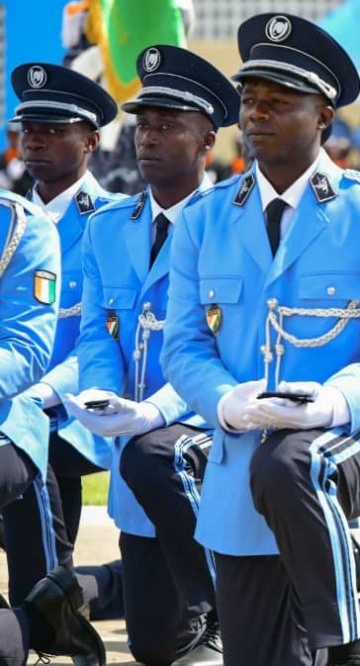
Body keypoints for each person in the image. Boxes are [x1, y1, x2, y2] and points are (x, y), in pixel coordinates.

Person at [160, 12, 360, 666]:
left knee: (295, 463)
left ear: (322, 116)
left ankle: (347, 644)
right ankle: (359, 599)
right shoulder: (205, 220)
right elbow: (182, 345)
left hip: (350, 440)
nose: (257, 115)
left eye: (279, 102)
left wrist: (332, 402)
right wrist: (226, 402)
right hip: (242, 459)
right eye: (250, 101)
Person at [61, 45, 240, 665]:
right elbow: (95, 334)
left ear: (206, 141)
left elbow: (222, 349)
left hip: (208, 436)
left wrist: (157, 411)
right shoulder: (108, 226)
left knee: (151, 454)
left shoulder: (232, 224)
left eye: (169, 126)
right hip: (137, 454)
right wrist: (101, 393)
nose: (150, 138)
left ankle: (239, 604)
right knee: (155, 647)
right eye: (144, 125)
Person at [3, 62, 123, 611]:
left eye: (54, 129)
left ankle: (46, 602)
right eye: (29, 128)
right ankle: (65, 594)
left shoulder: (116, 222)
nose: (35, 139)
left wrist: (38, 395)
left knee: (31, 444)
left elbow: (100, 338)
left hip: (80, 408)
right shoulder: (10, 222)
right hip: (11, 398)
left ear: (91, 140)